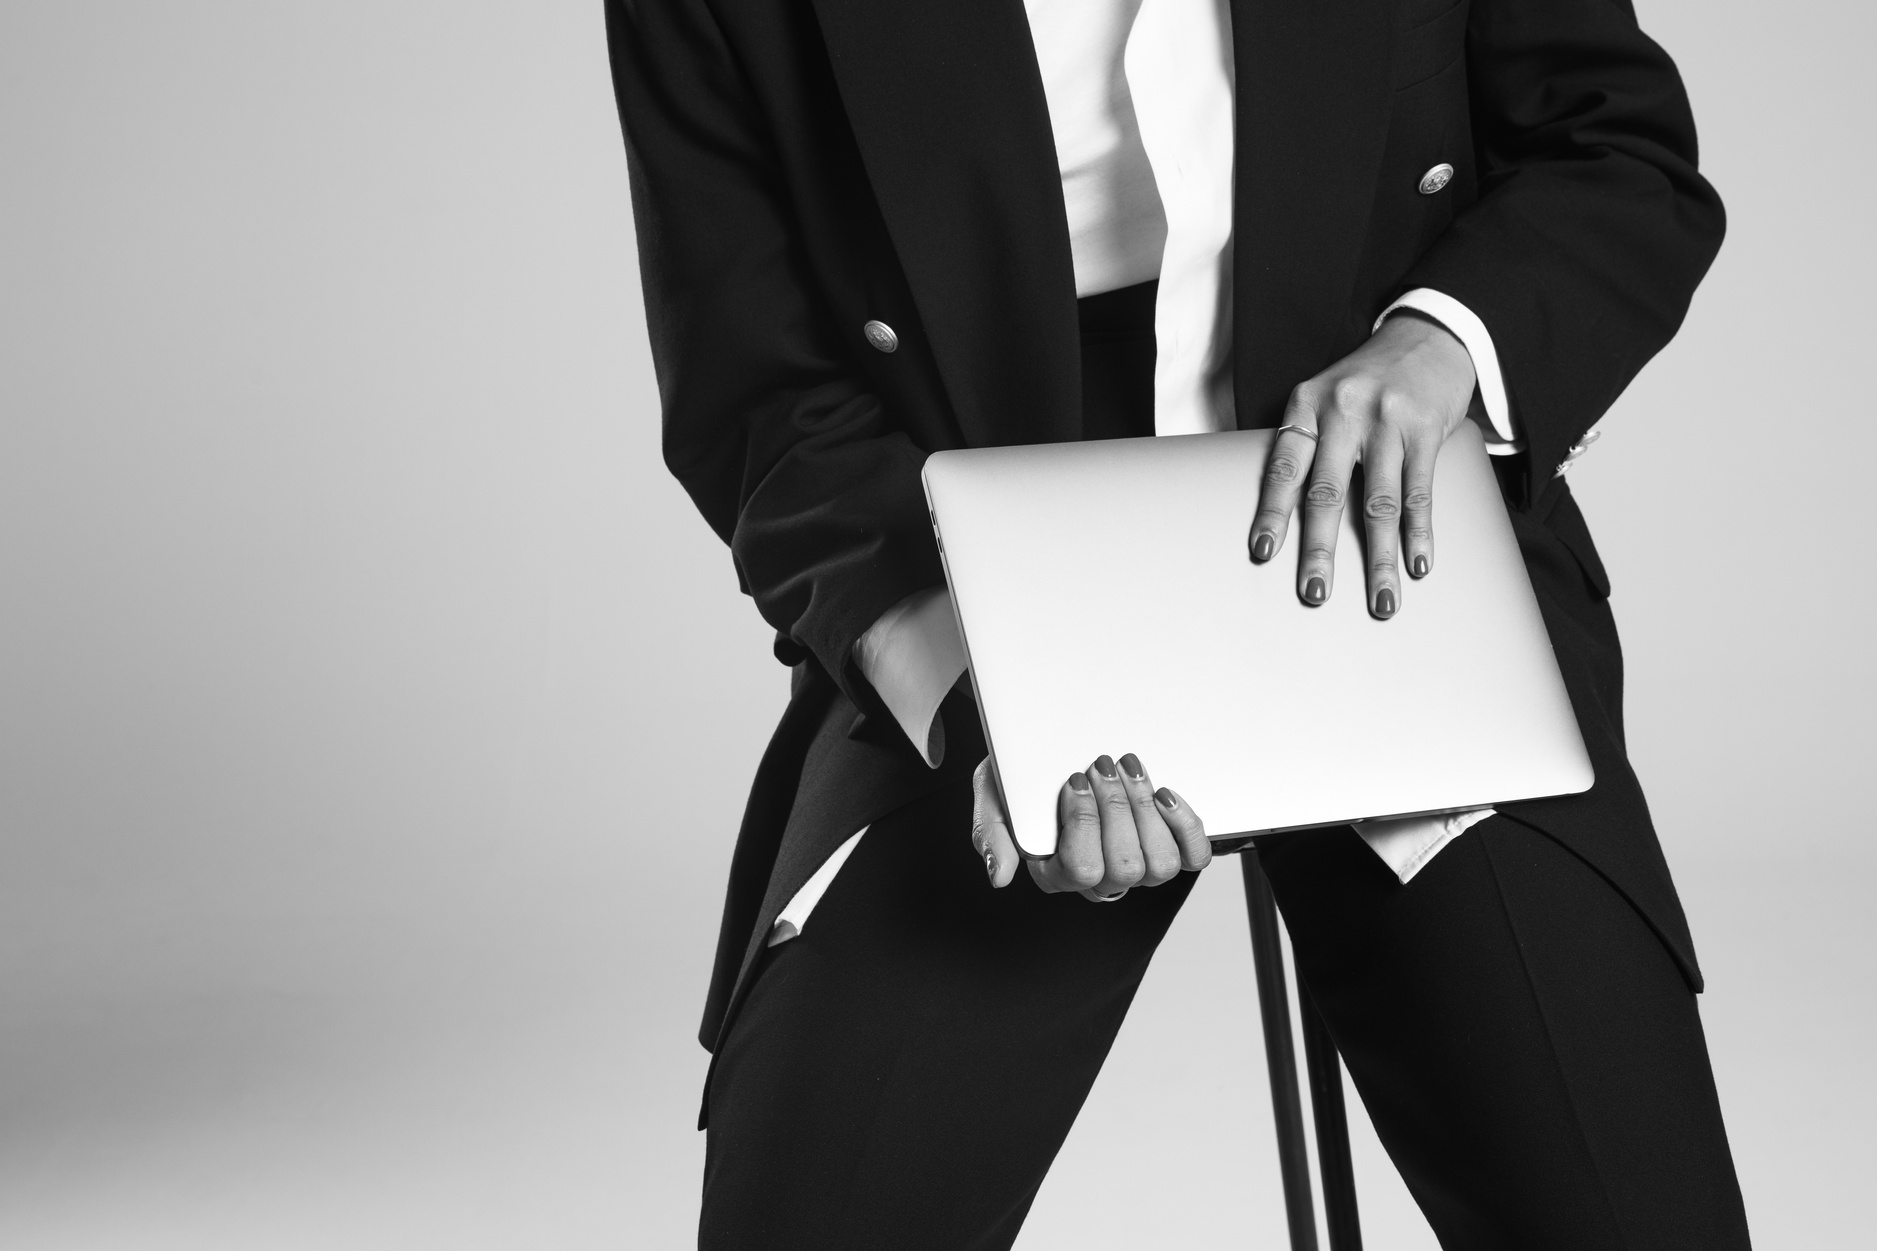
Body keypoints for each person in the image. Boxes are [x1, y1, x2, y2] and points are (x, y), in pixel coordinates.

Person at [606, 0, 1750, 1245]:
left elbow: (1613, 145)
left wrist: (1440, 345)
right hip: (972, 554)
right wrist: (983, 707)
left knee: (1626, 1208)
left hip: (1378, 513)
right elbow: (754, 390)